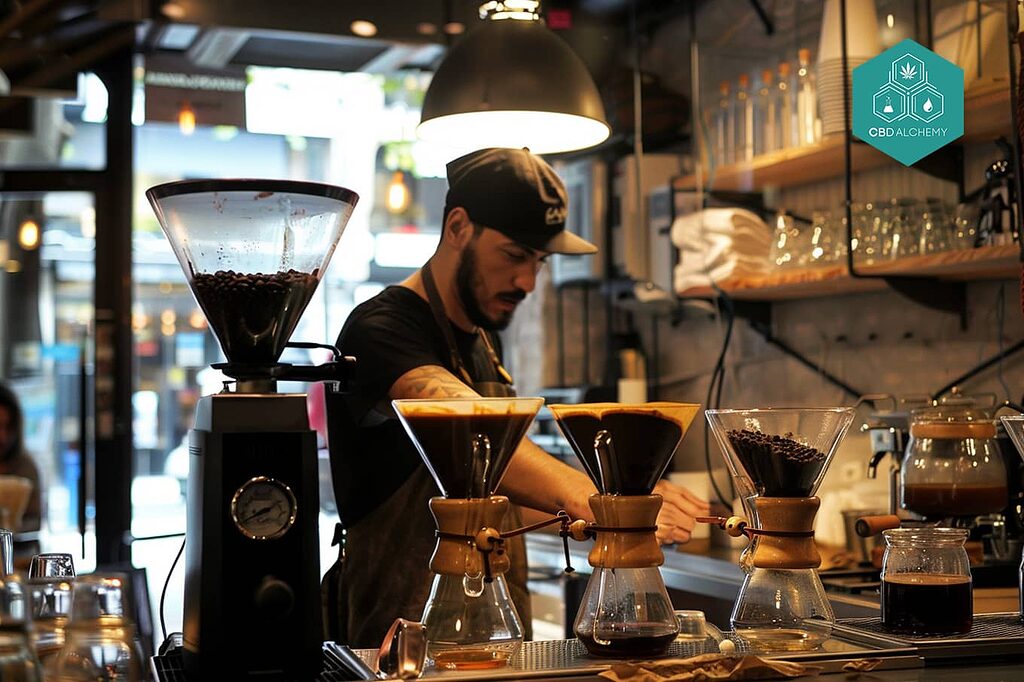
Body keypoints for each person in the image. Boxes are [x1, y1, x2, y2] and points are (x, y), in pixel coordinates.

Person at [323, 147, 709, 648]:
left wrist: (599, 516)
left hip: (496, 636)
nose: (527, 282)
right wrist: (597, 497)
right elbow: (469, 431)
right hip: (403, 647)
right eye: (513, 255)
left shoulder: (485, 342)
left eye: (539, 261)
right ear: (458, 227)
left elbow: (496, 501)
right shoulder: (382, 329)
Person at [0, 382, 42, 533]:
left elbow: (36, 521)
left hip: (18, 547)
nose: (3, 437)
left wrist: (11, 527)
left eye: (8, 427)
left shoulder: (25, 467)